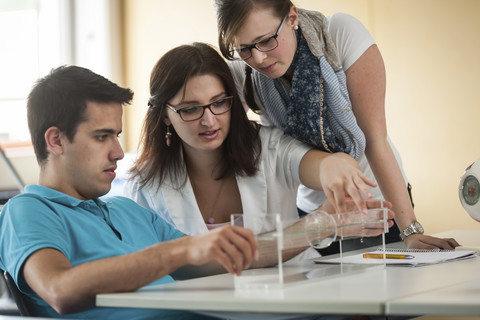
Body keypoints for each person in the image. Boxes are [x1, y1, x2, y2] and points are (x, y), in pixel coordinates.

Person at [0, 65, 260, 319]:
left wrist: (298, 235)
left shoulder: (127, 210)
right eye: (102, 136)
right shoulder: (27, 211)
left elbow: (217, 254)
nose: (119, 153)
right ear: (56, 140)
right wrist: (179, 251)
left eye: (117, 135)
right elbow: (59, 289)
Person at [213, 0, 459, 251]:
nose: (258, 58)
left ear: (291, 17)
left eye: (266, 41)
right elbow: (222, 137)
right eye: (244, 48)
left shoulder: (339, 34)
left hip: (381, 205)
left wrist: (411, 231)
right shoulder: (243, 71)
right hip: (313, 216)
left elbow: (375, 140)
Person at [124, 42, 393, 264]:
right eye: (190, 109)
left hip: (297, 297)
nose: (209, 121)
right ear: (165, 116)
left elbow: (322, 165)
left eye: (219, 103)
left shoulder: (268, 147)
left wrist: (339, 168)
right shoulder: (143, 186)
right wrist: (320, 224)